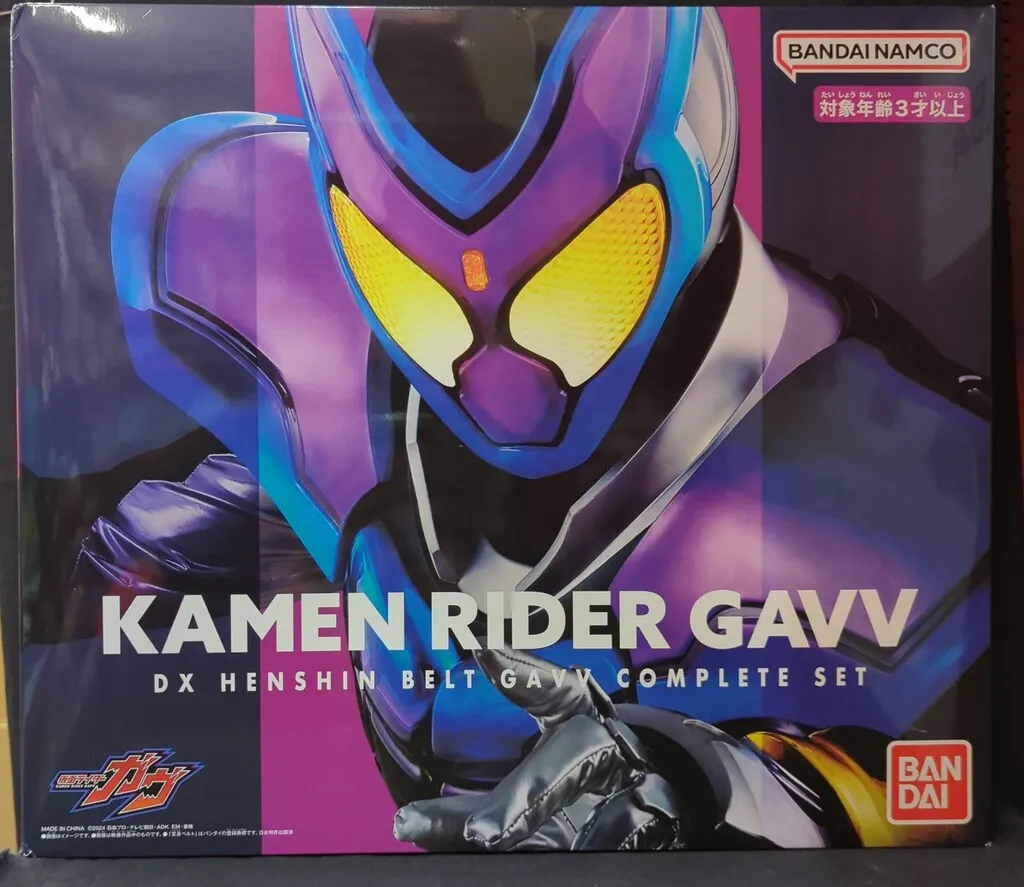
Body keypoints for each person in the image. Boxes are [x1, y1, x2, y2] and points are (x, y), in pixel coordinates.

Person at [80, 6, 989, 849]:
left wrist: (715, 786)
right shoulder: (300, 322)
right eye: (421, 291)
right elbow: (109, 592)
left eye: (577, 289)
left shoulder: (903, 479)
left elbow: (934, 788)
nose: (498, 379)